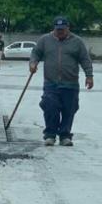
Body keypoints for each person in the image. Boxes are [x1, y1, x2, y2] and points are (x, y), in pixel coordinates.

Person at [29, 16, 93, 147]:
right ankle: (50, 135)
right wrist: (33, 63)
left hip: (70, 83)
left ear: (68, 28)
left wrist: (89, 75)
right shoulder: (45, 40)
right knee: (50, 107)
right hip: (51, 82)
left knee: (69, 110)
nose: (60, 32)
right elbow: (36, 53)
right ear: (54, 29)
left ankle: (64, 136)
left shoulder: (77, 42)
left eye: (62, 29)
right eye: (58, 29)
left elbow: (85, 59)